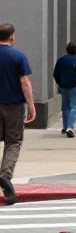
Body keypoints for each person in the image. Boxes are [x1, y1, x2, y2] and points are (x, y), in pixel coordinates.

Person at [0, 23, 34, 205]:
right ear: (12, 36)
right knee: (13, 142)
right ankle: (5, 175)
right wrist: (31, 106)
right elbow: (24, 82)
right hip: (13, 106)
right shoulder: (18, 56)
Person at [52, 42, 76, 138]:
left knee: (65, 107)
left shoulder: (60, 60)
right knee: (74, 107)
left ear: (67, 50)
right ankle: (70, 127)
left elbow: (55, 74)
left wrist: (59, 83)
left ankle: (65, 126)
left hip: (63, 87)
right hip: (75, 87)